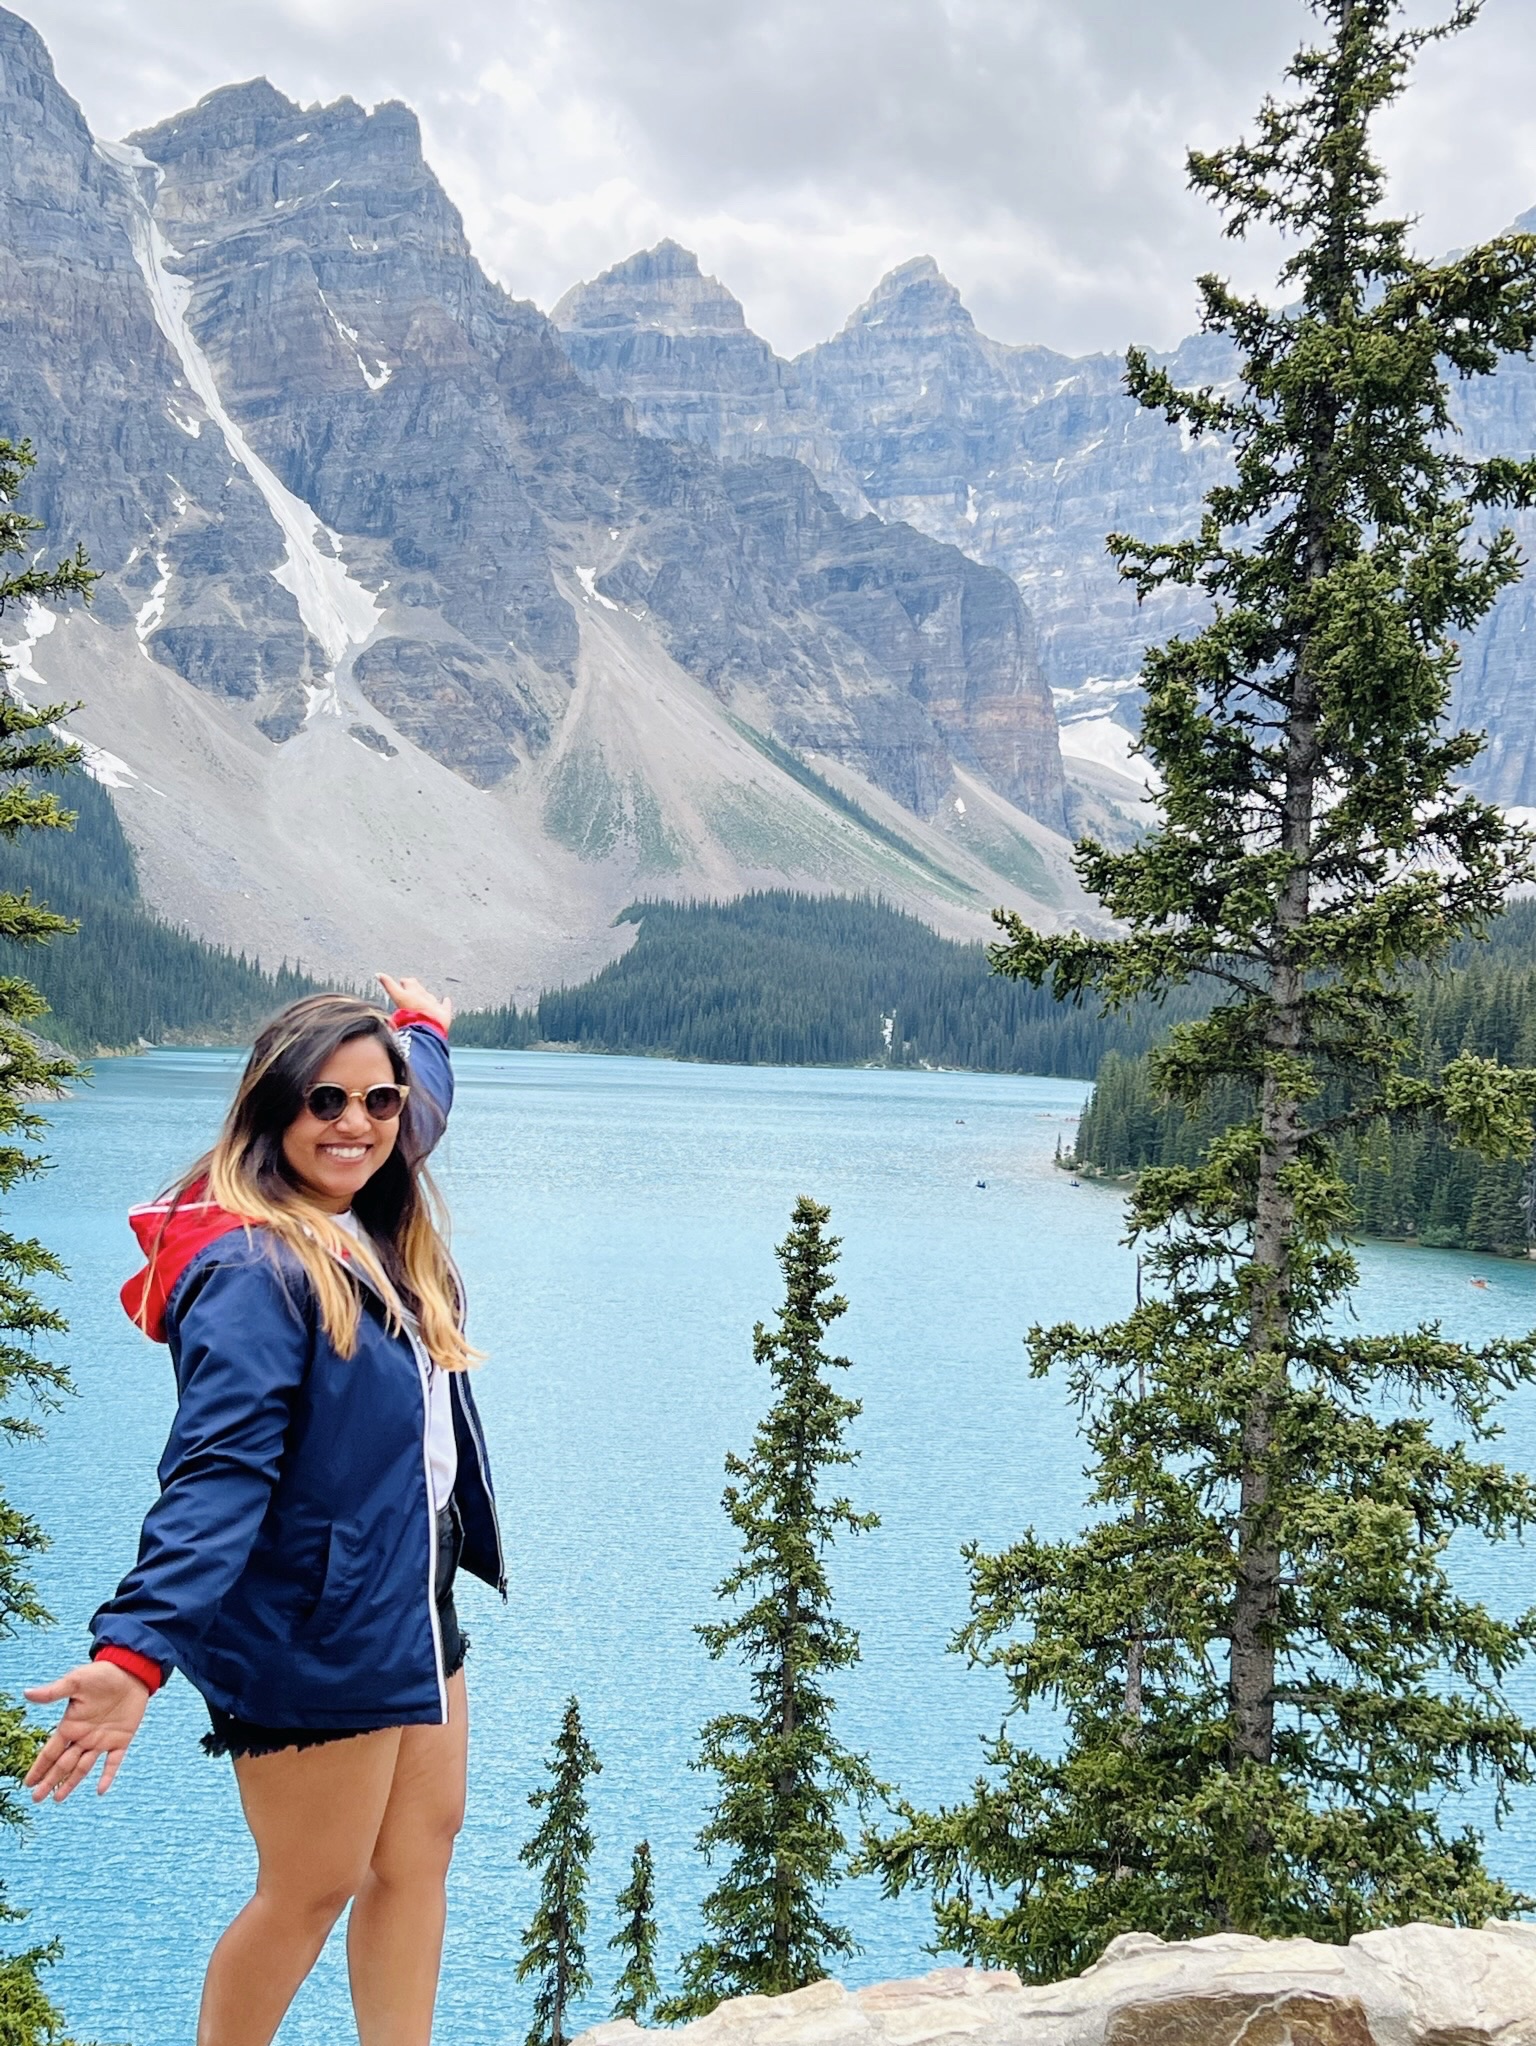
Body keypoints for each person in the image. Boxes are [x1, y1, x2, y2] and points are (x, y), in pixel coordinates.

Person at [24, 975, 504, 2046]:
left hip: (407, 1597)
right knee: (310, 1887)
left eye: (377, 1101)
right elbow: (219, 1474)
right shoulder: (253, 1267)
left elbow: (413, 1105)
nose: (357, 1123)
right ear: (273, 1106)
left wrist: (423, 1033)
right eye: (324, 1101)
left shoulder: (360, 1195)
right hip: (313, 1621)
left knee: (419, 1849)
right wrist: (135, 1654)